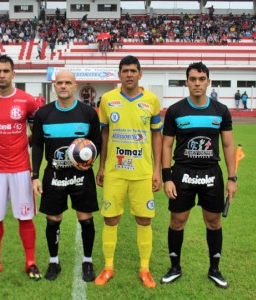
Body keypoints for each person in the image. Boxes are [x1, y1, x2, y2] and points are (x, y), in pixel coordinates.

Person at [160, 62, 237, 289]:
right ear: (186, 82)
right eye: (192, 79)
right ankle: (175, 268)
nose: (197, 83)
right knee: (177, 221)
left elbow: (229, 146)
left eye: (201, 79)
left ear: (208, 82)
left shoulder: (220, 111)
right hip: (182, 173)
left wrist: (232, 179)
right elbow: (166, 146)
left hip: (211, 174)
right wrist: (167, 177)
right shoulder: (175, 111)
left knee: (213, 222)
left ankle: (214, 270)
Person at [94, 55, 163, 288]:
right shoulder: (108, 100)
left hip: (142, 173)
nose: (129, 74)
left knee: (144, 219)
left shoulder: (152, 100)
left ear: (140, 74)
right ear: (119, 74)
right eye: (125, 70)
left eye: (133, 70)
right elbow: (104, 134)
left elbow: (156, 136)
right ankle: (108, 267)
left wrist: (157, 171)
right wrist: (102, 166)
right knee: (110, 218)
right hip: (115, 171)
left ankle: (145, 269)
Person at [0, 55, 42, 282]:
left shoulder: (27, 101)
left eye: (5, 71)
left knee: (25, 217)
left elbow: (36, 133)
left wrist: (22, 145)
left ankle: (30, 262)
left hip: (22, 168)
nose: (1, 75)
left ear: (13, 73)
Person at [31, 70, 101, 282]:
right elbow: (37, 145)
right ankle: (54, 262)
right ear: (54, 86)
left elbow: (97, 142)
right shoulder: (43, 113)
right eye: (59, 82)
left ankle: (87, 261)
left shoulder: (88, 113)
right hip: (54, 175)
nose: (63, 86)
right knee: (53, 221)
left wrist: (89, 161)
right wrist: (35, 175)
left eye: (67, 82)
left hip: (81, 175)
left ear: (75, 85)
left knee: (86, 220)